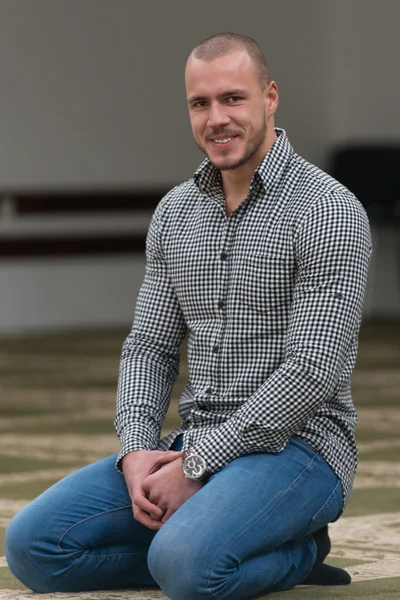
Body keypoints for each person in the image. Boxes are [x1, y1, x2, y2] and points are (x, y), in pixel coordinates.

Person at [5, 32, 371, 599]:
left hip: (301, 450)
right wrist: (136, 451)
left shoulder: (328, 210)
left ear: (270, 97)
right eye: (200, 104)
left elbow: (312, 370)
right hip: (192, 441)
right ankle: (239, 543)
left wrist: (197, 464)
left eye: (233, 98)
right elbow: (148, 346)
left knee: (187, 567)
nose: (216, 118)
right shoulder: (175, 212)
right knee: (35, 548)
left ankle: (299, 549)